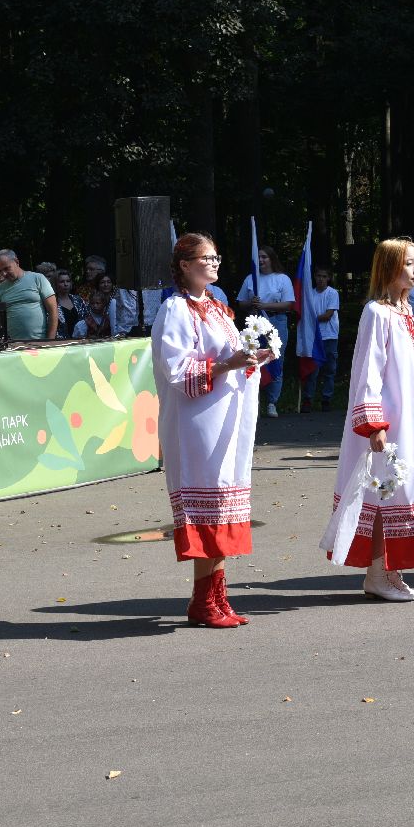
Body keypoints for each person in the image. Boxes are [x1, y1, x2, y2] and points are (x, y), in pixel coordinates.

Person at [152, 234, 271, 628]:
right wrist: (229, 364)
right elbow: (176, 372)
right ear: (185, 265)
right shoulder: (174, 310)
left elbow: (230, 357)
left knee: (222, 506)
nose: (216, 263)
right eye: (207, 258)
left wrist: (254, 357)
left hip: (224, 419)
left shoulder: (216, 307)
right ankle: (204, 601)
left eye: (217, 257)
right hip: (196, 424)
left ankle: (216, 598)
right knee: (208, 507)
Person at [328, 238, 414, 601]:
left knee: (400, 493)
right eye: (408, 263)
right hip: (388, 421)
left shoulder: (407, 312)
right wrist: (374, 424)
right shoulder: (376, 313)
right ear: (388, 267)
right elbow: (369, 371)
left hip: (409, 420)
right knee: (382, 494)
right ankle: (376, 572)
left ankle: (392, 571)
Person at [237, 246, 295, 417]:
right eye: (259, 257)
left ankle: (272, 402)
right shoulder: (251, 279)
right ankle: (254, 401)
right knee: (253, 359)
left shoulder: (282, 279)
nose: (261, 260)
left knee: (275, 359)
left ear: (272, 259)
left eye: (264, 257)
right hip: (255, 323)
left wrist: (265, 306)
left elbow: (288, 304)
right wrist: (252, 303)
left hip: (276, 320)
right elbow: (241, 302)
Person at [300, 265, 340, 413]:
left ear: (328, 278)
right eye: (318, 276)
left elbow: (328, 315)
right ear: (314, 277)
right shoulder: (309, 294)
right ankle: (308, 399)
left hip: (329, 336)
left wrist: (311, 319)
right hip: (314, 337)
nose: (321, 279)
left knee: (329, 369)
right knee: (313, 370)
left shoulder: (332, 293)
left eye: (324, 276)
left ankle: (326, 399)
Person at [0, 249, 57, 341]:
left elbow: (53, 310)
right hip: (13, 346)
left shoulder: (38, 278)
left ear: (17, 262)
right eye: (0, 271)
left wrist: (50, 341)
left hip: (41, 343)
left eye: (6, 268)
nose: (3, 274)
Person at [53, 269, 87, 339]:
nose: (66, 284)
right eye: (62, 282)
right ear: (55, 284)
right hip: (61, 343)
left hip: (80, 341)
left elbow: (86, 319)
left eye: (68, 281)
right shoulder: (52, 302)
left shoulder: (78, 300)